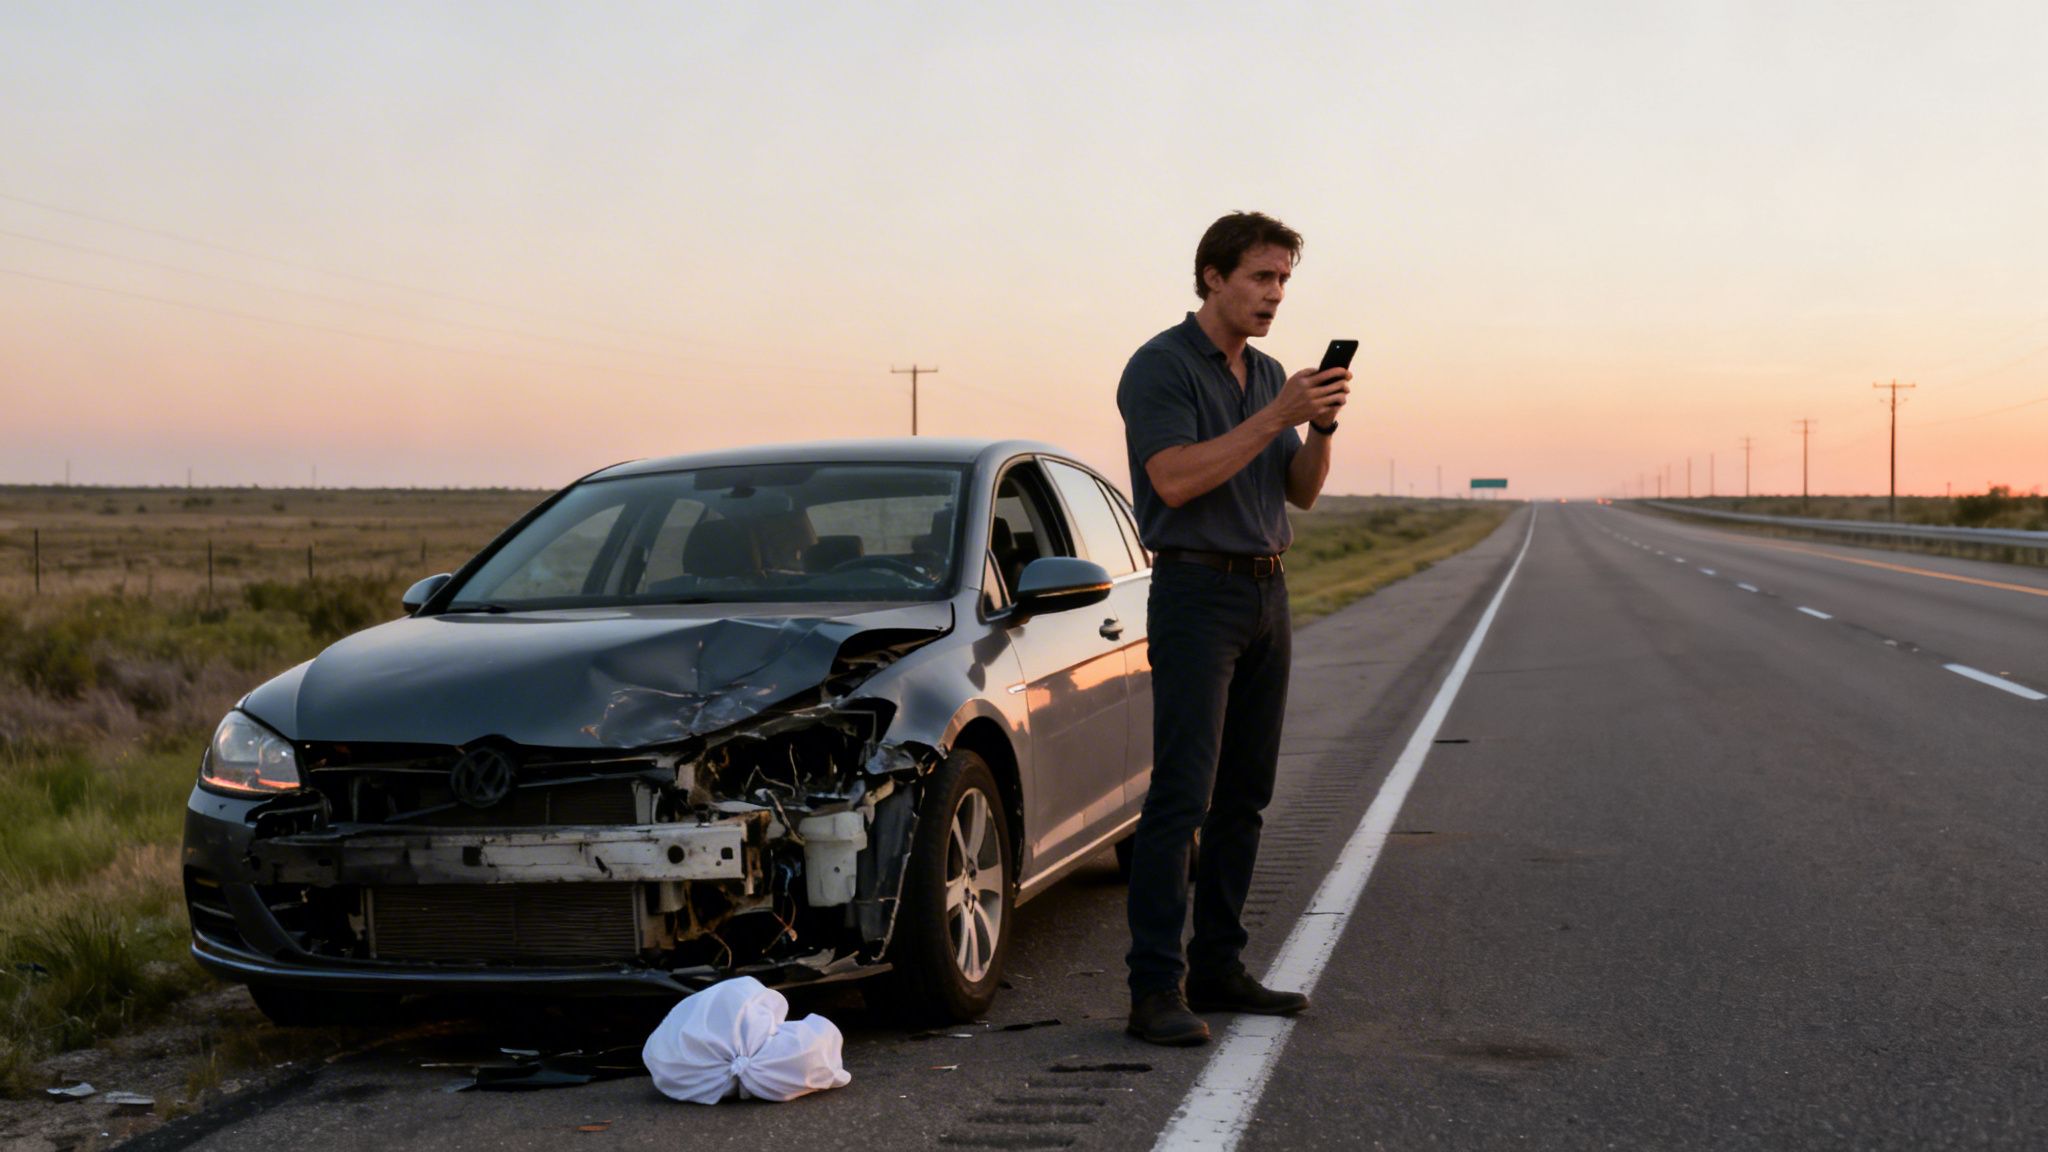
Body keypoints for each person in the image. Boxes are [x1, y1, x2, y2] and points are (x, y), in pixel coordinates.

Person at [1115, 211, 1350, 1046]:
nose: (1274, 295)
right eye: (1260, 277)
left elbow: (1303, 492)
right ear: (1212, 276)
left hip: (1267, 592)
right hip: (1194, 593)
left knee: (1246, 795)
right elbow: (1175, 480)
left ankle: (1218, 965)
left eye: (1283, 280)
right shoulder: (1160, 367)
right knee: (1182, 797)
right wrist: (1271, 413)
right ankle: (1155, 991)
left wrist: (1316, 425)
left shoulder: (1271, 372)